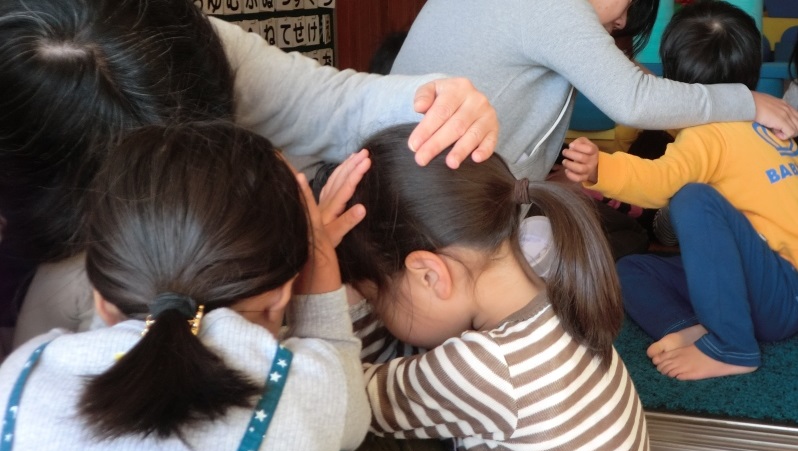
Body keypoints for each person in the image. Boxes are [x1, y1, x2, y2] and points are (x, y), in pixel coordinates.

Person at [0, 0, 499, 352]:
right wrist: (323, 300)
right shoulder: (60, 300)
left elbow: (335, 103)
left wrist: (438, 102)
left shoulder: (171, 44)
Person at [0, 120, 384, 451]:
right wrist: (320, 277)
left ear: (101, 297)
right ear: (283, 294)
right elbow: (351, 419)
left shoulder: (24, 370)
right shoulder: (301, 383)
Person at [335, 123, 654, 451]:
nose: (375, 313)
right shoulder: (552, 283)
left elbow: (346, 398)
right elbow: (412, 349)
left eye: (374, 300)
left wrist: (332, 293)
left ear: (430, 276)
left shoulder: (483, 367)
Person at [561, 0, 798, 381]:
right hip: (770, 284)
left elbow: (660, 182)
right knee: (632, 270)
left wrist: (601, 167)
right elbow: (673, 118)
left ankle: (733, 346)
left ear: (674, 77)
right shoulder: (765, 125)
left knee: (692, 198)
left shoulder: (707, 136)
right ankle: (691, 327)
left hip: (781, 295)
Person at [390, 0, 798, 182]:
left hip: (407, 173)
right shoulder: (556, 8)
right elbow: (634, 100)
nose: (621, 23)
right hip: (438, 191)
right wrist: (746, 101)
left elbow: (623, 79)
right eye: (628, 7)